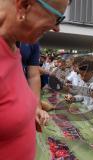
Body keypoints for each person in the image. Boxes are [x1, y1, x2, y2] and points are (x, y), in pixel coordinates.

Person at [0, 0, 68, 159]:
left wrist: (33, 108)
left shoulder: (13, 45)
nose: (57, 28)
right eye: (57, 18)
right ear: (24, 5)